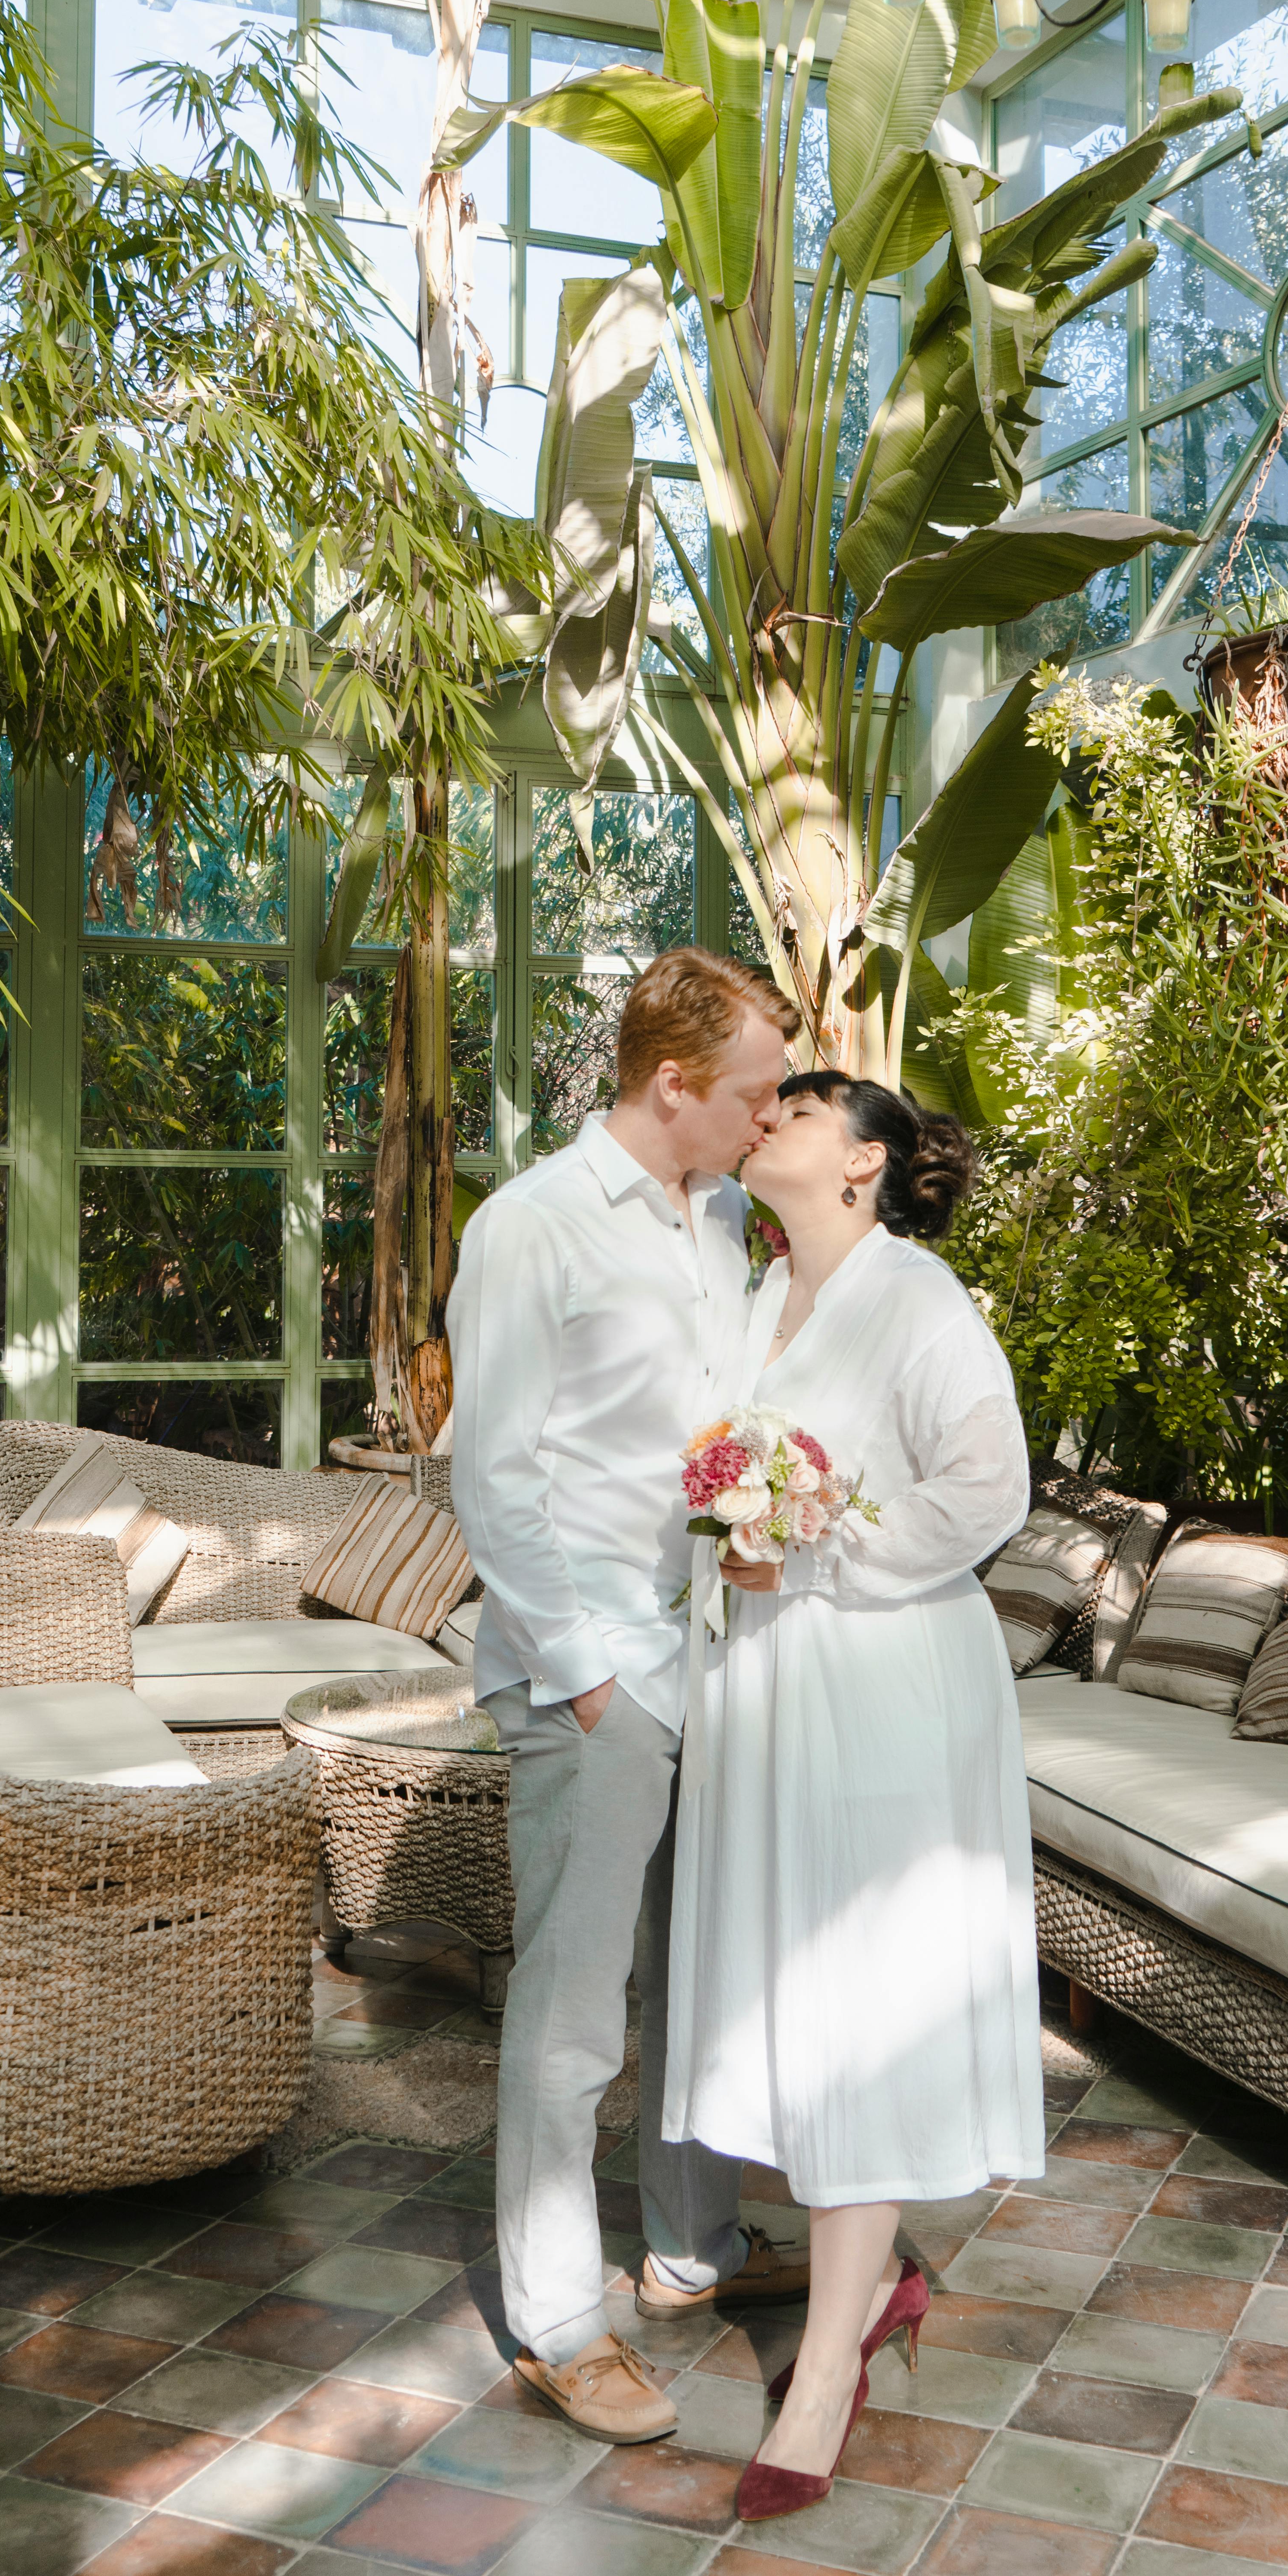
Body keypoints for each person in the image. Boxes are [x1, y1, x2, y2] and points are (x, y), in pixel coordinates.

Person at [663, 1067, 1044, 2519]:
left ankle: (826, 2374)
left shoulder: (919, 1299)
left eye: (807, 1111)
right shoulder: (757, 1296)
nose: (770, 1120)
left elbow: (986, 1490)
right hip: (769, 1683)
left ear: (866, 1163)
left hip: (886, 1684)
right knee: (795, 1991)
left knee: (862, 2000)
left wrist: (815, 1546)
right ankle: (871, 2285)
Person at [447, 943, 813, 2444]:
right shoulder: (530, 1228)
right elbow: (492, 1478)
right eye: (756, 1093)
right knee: (573, 2011)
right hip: (591, 1671)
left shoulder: (720, 1214)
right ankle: (554, 2322)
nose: (773, 1116)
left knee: (694, 1976)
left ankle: (690, 2246)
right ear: (673, 1084)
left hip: (706, 1659)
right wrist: (587, 1675)